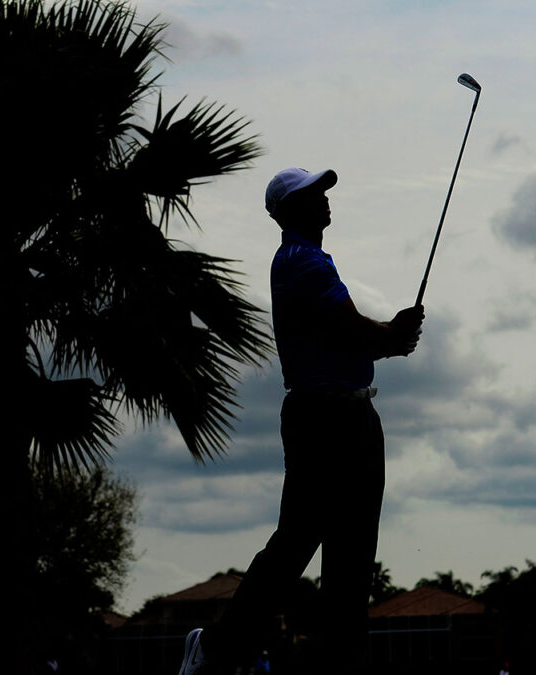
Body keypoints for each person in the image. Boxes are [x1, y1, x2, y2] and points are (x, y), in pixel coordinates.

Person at [178, 168, 425, 675]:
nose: (325, 199)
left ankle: (335, 664)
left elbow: (349, 338)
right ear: (288, 211)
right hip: (327, 418)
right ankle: (216, 649)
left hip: (347, 411)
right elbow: (351, 328)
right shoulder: (301, 262)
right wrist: (392, 334)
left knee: (349, 556)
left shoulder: (310, 261)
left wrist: (389, 340)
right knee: (300, 545)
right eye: (314, 194)